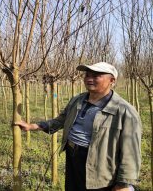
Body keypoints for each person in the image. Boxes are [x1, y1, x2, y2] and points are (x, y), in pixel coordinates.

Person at [15, 62, 141, 191]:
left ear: (112, 80)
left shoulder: (124, 111)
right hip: (73, 156)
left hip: (99, 165)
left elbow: (131, 152)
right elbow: (61, 120)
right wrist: (34, 126)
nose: (89, 79)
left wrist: (123, 184)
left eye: (96, 76)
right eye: (87, 75)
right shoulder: (78, 100)